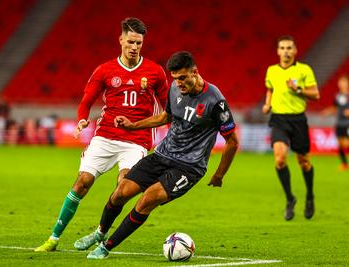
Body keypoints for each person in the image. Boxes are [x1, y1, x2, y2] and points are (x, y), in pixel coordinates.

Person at [81, 51, 239, 259]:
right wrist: (133, 126)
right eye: (175, 79)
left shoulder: (215, 101)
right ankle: (100, 232)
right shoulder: (175, 89)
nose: (179, 84)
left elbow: (232, 141)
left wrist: (219, 175)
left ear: (195, 72)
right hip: (162, 155)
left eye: (183, 78)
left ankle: (106, 247)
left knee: (148, 199)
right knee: (121, 191)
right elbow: (166, 117)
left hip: (189, 167)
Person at [34, 17, 168, 252]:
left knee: (124, 187)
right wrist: (82, 120)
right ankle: (53, 239)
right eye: (130, 42)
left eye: (139, 43)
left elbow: (169, 106)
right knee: (82, 182)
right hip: (105, 136)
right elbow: (86, 101)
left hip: (136, 140)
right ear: (120, 40)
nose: (134, 47)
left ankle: (100, 233)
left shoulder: (155, 72)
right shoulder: (105, 70)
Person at [262, 35, 320, 221]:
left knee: (304, 161)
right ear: (278, 51)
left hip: (298, 120)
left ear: (295, 51)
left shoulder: (304, 70)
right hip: (278, 119)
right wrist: (267, 104)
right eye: (282, 48)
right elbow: (270, 89)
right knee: (280, 159)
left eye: (289, 48)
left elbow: (316, 94)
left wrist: (298, 90)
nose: (286, 51)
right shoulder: (271, 70)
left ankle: (310, 196)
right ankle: (290, 199)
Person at [321, 74, 349, 170]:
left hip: (348, 123)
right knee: (340, 144)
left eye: (344, 82)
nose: (342, 84)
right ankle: (344, 164)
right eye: (341, 82)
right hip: (339, 123)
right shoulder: (338, 96)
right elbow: (335, 108)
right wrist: (327, 112)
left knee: (346, 143)